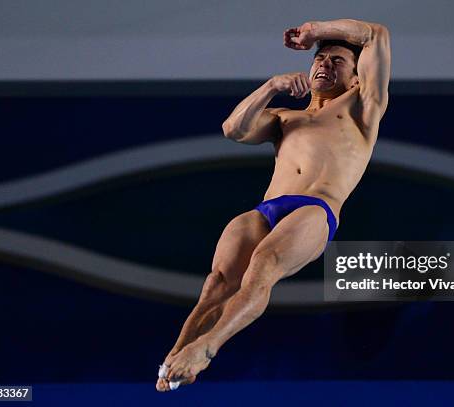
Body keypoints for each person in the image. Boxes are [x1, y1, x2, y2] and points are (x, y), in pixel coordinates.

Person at [156, 18, 391, 391]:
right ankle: (173, 362)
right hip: (268, 210)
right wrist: (271, 86)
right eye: (320, 58)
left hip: (315, 209)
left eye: (337, 61)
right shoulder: (286, 117)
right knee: (216, 285)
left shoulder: (364, 107)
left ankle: (208, 347)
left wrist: (316, 29)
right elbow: (233, 129)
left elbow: (376, 34)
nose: (324, 65)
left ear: (357, 77)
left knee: (262, 266)